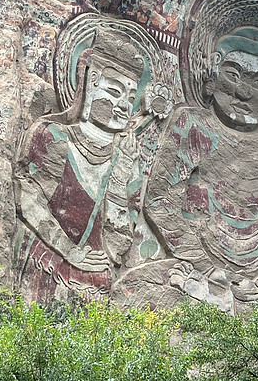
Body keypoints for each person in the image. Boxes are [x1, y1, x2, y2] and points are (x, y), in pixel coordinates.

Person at [118, 26, 258, 310]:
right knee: (133, 291)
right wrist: (205, 268)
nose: (243, 92)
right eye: (232, 75)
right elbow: (160, 200)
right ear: (211, 80)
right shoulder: (193, 125)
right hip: (195, 264)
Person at [14, 24, 158, 302]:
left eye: (131, 98)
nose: (123, 106)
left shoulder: (126, 158)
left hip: (95, 279)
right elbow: (28, 199)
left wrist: (120, 174)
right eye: (114, 91)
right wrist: (70, 252)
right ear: (90, 86)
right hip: (47, 262)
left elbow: (118, 245)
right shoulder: (52, 135)